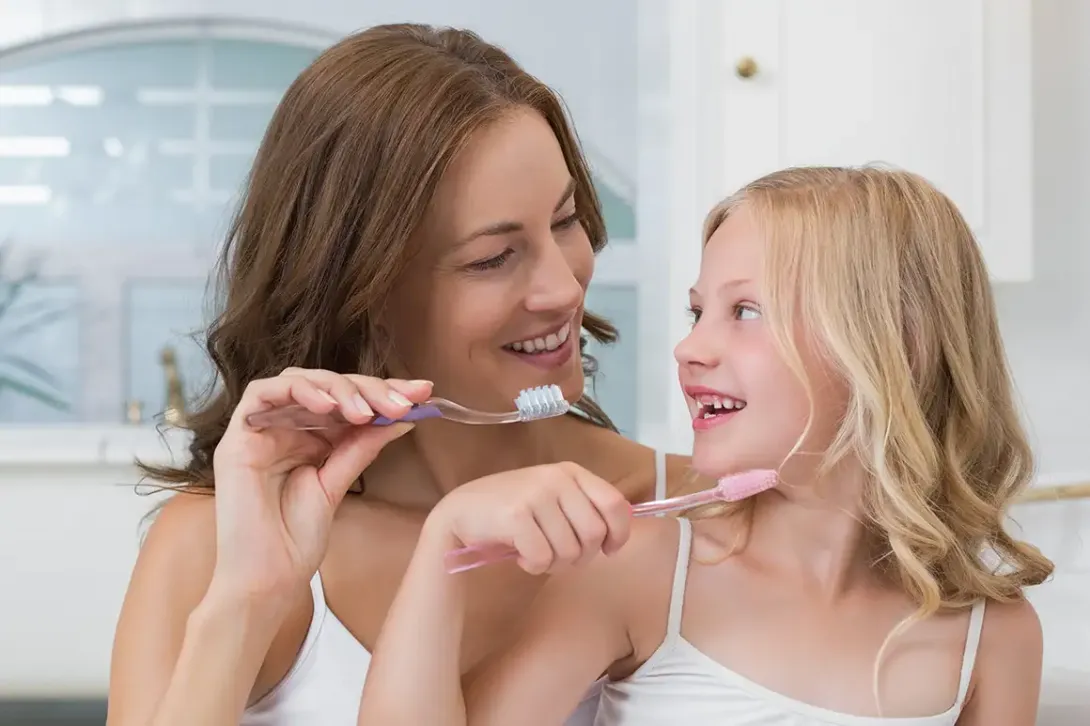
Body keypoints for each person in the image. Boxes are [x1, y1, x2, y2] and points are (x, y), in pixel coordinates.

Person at [105, 23, 689, 726]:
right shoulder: (219, 546)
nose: (565, 287)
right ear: (366, 291)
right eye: (493, 258)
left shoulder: (682, 511)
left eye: (564, 221)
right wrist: (251, 595)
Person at [357, 166, 1055, 725]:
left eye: (744, 311)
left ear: (894, 345)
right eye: (698, 311)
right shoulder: (642, 569)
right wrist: (444, 539)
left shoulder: (993, 640)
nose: (690, 348)